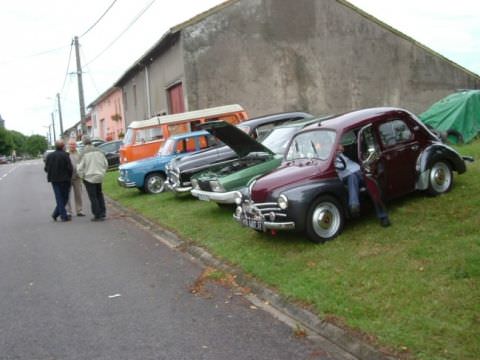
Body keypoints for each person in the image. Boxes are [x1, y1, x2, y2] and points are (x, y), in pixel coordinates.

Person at [335, 144, 391, 227]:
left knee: (372, 187)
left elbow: (345, 148)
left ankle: (382, 216)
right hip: (348, 176)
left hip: (359, 172)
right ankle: (354, 206)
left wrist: (340, 149)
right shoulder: (326, 158)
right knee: (352, 177)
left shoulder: (343, 151)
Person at [77, 135, 108, 221]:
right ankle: (103, 213)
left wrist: (82, 176)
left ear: (83, 142)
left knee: (93, 196)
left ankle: (97, 215)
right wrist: (102, 172)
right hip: (99, 176)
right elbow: (105, 164)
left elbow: (79, 168)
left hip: (89, 177)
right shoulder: (99, 151)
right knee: (99, 194)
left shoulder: (83, 153)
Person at [44, 139, 73, 222]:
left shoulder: (49, 156)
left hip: (54, 180)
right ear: (63, 146)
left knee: (59, 197)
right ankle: (64, 216)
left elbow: (46, 169)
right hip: (65, 180)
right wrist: (69, 176)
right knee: (65, 197)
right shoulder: (65, 155)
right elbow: (70, 168)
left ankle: (56, 213)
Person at [66, 139, 85, 217]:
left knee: (78, 194)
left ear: (76, 145)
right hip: (68, 177)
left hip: (77, 177)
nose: (72, 146)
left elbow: (82, 163)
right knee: (67, 195)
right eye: (70, 144)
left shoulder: (79, 153)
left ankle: (79, 210)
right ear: (68, 145)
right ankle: (68, 211)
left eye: (73, 144)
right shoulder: (66, 154)